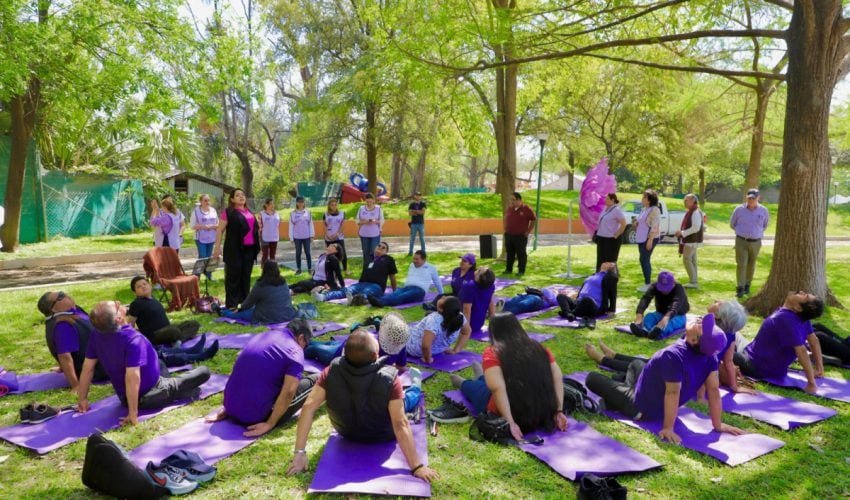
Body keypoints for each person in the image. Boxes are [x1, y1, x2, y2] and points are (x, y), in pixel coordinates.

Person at [286, 330, 438, 483]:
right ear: (375, 356)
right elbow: (400, 423)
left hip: (346, 431)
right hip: (382, 435)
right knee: (409, 400)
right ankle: (416, 386)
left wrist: (299, 453)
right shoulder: (391, 378)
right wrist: (417, 467)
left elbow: (308, 407)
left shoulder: (330, 371)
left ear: (345, 352)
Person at [585, 314, 745, 444]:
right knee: (636, 363)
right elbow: (714, 390)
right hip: (650, 394)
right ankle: (617, 378)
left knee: (592, 378)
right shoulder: (709, 356)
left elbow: (673, 393)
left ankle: (614, 388)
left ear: (694, 340)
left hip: (641, 407)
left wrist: (668, 428)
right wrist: (717, 424)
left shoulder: (674, 356)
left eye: (701, 326)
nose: (699, 321)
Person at [76, 301, 211, 426]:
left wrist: (82, 399)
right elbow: (132, 378)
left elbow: (88, 368)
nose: (118, 302)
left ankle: (189, 358)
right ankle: (176, 390)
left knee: (159, 361)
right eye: (116, 305)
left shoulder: (96, 334)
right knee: (204, 371)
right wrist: (133, 414)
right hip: (149, 395)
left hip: (132, 392)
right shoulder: (133, 340)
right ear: (118, 318)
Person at [439, 313, 568, 437]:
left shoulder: (493, 352)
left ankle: (463, 381)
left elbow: (497, 389)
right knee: (489, 382)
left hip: (508, 407)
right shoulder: (539, 348)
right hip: (541, 413)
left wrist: (510, 422)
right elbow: (557, 377)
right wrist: (558, 411)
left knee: (476, 389)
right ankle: (480, 375)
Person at [207, 319, 318, 436]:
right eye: (306, 345)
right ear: (301, 338)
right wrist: (270, 423)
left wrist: (228, 407)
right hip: (255, 418)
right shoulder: (295, 351)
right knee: (318, 379)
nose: (304, 349)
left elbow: (240, 369)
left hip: (230, 408)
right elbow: (289, 392)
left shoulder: (263, 335)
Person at [733, 291, 824, 394]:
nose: (801, 292)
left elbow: (802, 351)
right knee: (734, 333)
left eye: (805, 296)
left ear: (798, 308)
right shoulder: (801, 318)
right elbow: (814, 341)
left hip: (756, 367)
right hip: (756, 356)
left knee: (723, 346)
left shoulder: (784, 318)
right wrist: (819, 368)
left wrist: (811, 383)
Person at [37, 291, 106, 389]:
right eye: (61, 296)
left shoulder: (73, 310)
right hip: (97, 370)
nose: (66, 295)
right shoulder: (63, 325)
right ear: (54, 308)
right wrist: (75, 385)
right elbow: (65, 356)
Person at [305, 311, 411, 369]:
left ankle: (303, 341)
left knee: (320, 346)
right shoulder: (373, 343)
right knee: (315, 348)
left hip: (344, 349)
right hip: (340, 353)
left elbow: (401, 366)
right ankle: (299, 344)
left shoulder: (400, 347)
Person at [219, 261, 315, 324]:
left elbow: (247, 304)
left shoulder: (260, 284)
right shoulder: (283, 281)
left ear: (264, 270)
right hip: (287, 314)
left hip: (267, 316)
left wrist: (239, 308)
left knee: (237, 314)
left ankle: (222, 312)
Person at [213, 188, 260, 309]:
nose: (241, 197)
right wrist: (217, 248)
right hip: (234, 250)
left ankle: (245, 303)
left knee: (246, 277)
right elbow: (219, 230)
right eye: (238, 195)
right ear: (232, 199)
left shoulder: (249, 211)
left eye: (243, 195)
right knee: (233, 277)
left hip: (249, 249)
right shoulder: (228, 212)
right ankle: (232, 305)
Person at [313, 241, 398, 304]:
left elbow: (392, 277)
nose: (380, 247)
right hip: (361, 284)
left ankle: (353, 301)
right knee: (346, 290)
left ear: (386, 252)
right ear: (375, 248)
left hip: (376, 286)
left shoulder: (388, 259)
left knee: (365, 294)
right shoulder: (369, 258)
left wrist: (394, 292)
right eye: (379, 245)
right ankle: (323, 297)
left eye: (383, 247)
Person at [126, 276, 200, 345]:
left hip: (167, 328)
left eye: (144, 284)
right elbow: (130, 324)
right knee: (174, 331)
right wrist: (139, 334)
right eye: (139, 287)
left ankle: (176, 340)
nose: (143, 286)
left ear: (150, 285)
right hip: (154, 335)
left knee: (193, 324)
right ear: (134, 292)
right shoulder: (136, 304)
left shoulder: (153, 299)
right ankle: (176, 340)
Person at [705, 300, 753, 394]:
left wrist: (734, 386)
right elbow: (729, 361)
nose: (717, 301)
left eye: (719, 304)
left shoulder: (707, 329)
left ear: (717, 316)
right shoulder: (730, 334)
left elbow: (729, 361)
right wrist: (734, 386)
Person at [406, 296, 471, 363]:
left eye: (444, 298)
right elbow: (467, 332)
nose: (443, 296)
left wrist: (427, 359)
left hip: (413, 348)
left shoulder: (433, 320)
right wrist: (456, 350)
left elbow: (425, 346)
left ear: (441, 309)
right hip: (435, 350)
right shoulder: (460, 317)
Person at [730, 188, 769, 298]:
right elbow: (732, 224)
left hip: (756, 242)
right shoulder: (739, 209)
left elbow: (765, 225)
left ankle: (747, 284)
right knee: (742, 264)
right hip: (741, 240)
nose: (751, 200)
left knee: (751, 265)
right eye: (749, 198)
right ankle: (740, 287)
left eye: (753, 198)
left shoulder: (764, 210)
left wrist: (755, 233)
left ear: (758, 198)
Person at [368, 250, 443, 307]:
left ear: (424, 260)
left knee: (402, 296)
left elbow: (437, 282)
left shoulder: (431, 268)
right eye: (414, 259)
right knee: (394, 294)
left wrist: (442, 295)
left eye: (417, 259)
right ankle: (376, 300)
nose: (414, 261)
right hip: (406, 288)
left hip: (419, 291)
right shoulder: (411, 265)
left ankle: (381, 302)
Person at [556, 262, 619, 329]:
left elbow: (613, 294)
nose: (606, 262)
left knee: (587, 299)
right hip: (578, 303)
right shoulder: (594, 275)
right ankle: (568, 314)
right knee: (560, 296)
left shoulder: (609, 277)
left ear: (612, 268)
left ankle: (571, 313)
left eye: (609, 263)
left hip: (593, 306)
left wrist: (612, 310)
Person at [629, 271, 690, 340]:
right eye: (662, 288)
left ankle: (658, 333)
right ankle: (645, 330)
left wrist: (666, 318)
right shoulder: (654, 286)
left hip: (678, 315)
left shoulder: (679, 288)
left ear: (673, 284)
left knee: (670, 323)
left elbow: (675, 304)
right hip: (660, 313)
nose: (664, 291)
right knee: (650, 316)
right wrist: (639, 314)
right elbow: (645, 299)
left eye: (667, 288)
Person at [503, 192, 536, 277]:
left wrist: (528, 232)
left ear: (519, 200)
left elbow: (533, 220)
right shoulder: (510, 208)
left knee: (521, 254)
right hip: (509, 235)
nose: (512, 202)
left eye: (513, 200)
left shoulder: (526, 209)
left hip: (520, 236)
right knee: (510, 253)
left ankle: (521, 270)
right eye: (511, 200)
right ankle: (508, 269)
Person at [634, 189, 661, 291]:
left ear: (649, 200)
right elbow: (642, 222)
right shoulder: (644, 209)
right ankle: (647, 283)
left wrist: (650, 240)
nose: (642, 198)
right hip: (641, 238)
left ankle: (648, 284)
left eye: (644, 197)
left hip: (649, 238)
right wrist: (636, 223)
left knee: (644, 259)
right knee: (643, 259)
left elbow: (655, 225)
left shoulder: (654, 210)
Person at [675, 194, 703, 289]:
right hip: (692, 240)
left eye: (686, 200)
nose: (684, 202)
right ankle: (694, 280)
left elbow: (696, 227)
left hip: (692, 240)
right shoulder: (692, 211)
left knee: (687, 259)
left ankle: (693, 281)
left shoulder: (695, 212)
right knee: (692, 260)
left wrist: (682, 233)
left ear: (692, 201)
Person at [594, 193, 627, 271]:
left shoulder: (616, 210)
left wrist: (617, 234)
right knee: (600, 259)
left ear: (612, 200)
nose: (605, 200)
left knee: (610, 260)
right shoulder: (605, 209)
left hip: (610, 239)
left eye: (607, 199)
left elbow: (624, 223)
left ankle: (611, 277)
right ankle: (599, 276)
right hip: (601, 238)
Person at [189, 194, 218, 280]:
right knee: (202, 256)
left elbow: (217, 223)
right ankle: (196, 275)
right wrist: (203, 227)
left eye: (208, 200)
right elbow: (192, 225)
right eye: (205, 200)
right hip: (200, 237)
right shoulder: (196, 211)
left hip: (211, 237)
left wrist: (211, 226)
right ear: (201, 202)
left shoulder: (213, 210)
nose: (207, 202)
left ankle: (209, 274)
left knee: (209, 257)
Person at [460, 266, 496, 333]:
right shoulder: (491, 286)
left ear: (478, 277)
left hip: (468, 324)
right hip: (478, 324)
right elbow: (491, 304)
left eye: (479, 270)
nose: (480, 267)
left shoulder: (470, 286)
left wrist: (466, 329)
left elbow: (466, 310)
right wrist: (493, 325)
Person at [289, 196, 315, 275]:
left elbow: (311, 224)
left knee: (308, 253)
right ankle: (298, 269)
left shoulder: (308, 212)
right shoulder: (293, 213)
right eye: (299, 202)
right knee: (298, 253)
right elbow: (291, 226)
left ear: (304, 203)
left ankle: (310, 269)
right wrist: (291, 237)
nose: (300, 204)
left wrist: (312, 235)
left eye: (302, 202)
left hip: (306, 237)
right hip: (297, 237)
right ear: (296, 203)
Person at [357, 193, 384, 264]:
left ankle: (373, 266)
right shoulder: (361, 208)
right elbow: (357, 221)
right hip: (364, 234)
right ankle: (366, 267)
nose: (369, 203)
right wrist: (365, 222)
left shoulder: (378, 208)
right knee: (365, 251)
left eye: (370, 202)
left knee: (374, 251)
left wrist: (375, 221)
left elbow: (382, 220)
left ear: (373, 201)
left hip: (375, 234)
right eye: (367, 202)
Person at [323, 198, 348, 273]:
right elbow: (324, 226)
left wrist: (337, 233)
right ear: (329, 206)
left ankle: (345, 269)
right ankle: (331, 270)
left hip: (339, 237)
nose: (334, 206)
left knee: (342, 253)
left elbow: (343, 225)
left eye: (335, 205)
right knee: (330, 254)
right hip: (329, 237)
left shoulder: (342, 213)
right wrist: (327, 235)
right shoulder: (325, 214)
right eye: (332, 205)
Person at [258, 198, 281, 266]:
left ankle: (273, 271)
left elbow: (278, 223)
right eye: (270, 204)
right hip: (264, 236)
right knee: (265, 254)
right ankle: (264, 271)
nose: (272, 205)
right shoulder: (261, 213)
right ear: (266, 205)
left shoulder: (276, 213)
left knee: (272, 255)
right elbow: (259, 225)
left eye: (273, 203)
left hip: (274, 236)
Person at [408, 191, 426, 256]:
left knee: (422, 238)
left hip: (421, 223)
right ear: (414, 196)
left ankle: (423, 252)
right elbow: (410, 213)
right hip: (413, 224)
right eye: (417, 195)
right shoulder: (411, 204)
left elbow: (423, 212)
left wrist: (414, 211)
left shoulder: (423, 203)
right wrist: (418, 211)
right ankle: (410, 252)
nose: (418, 196)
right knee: (412, 238)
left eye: (419, 195)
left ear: (420, 196)